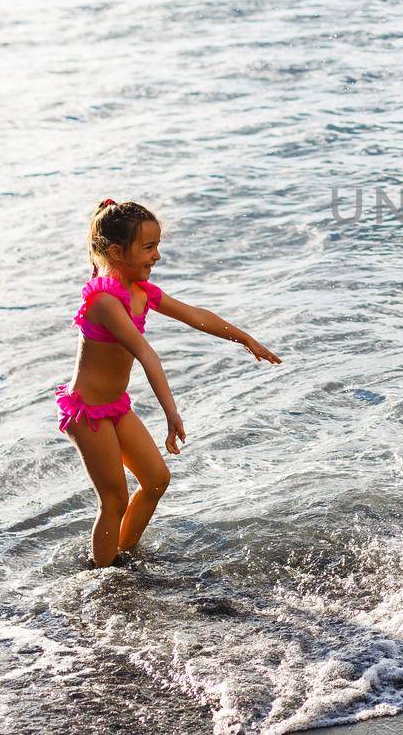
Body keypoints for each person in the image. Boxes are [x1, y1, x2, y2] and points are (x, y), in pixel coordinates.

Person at [58, 199, 281, 567]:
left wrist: (245, 339)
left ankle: (124, 555)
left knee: (156, 478)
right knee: (114, 499)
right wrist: (171, 413)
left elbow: (195, 316)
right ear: (116, 251)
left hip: (115, 406)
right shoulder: (103, 300)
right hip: (88, 414)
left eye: (157, 246)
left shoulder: (143, 293)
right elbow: (147, 355)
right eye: (148, 247)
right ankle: (101, 575)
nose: (157, 256)